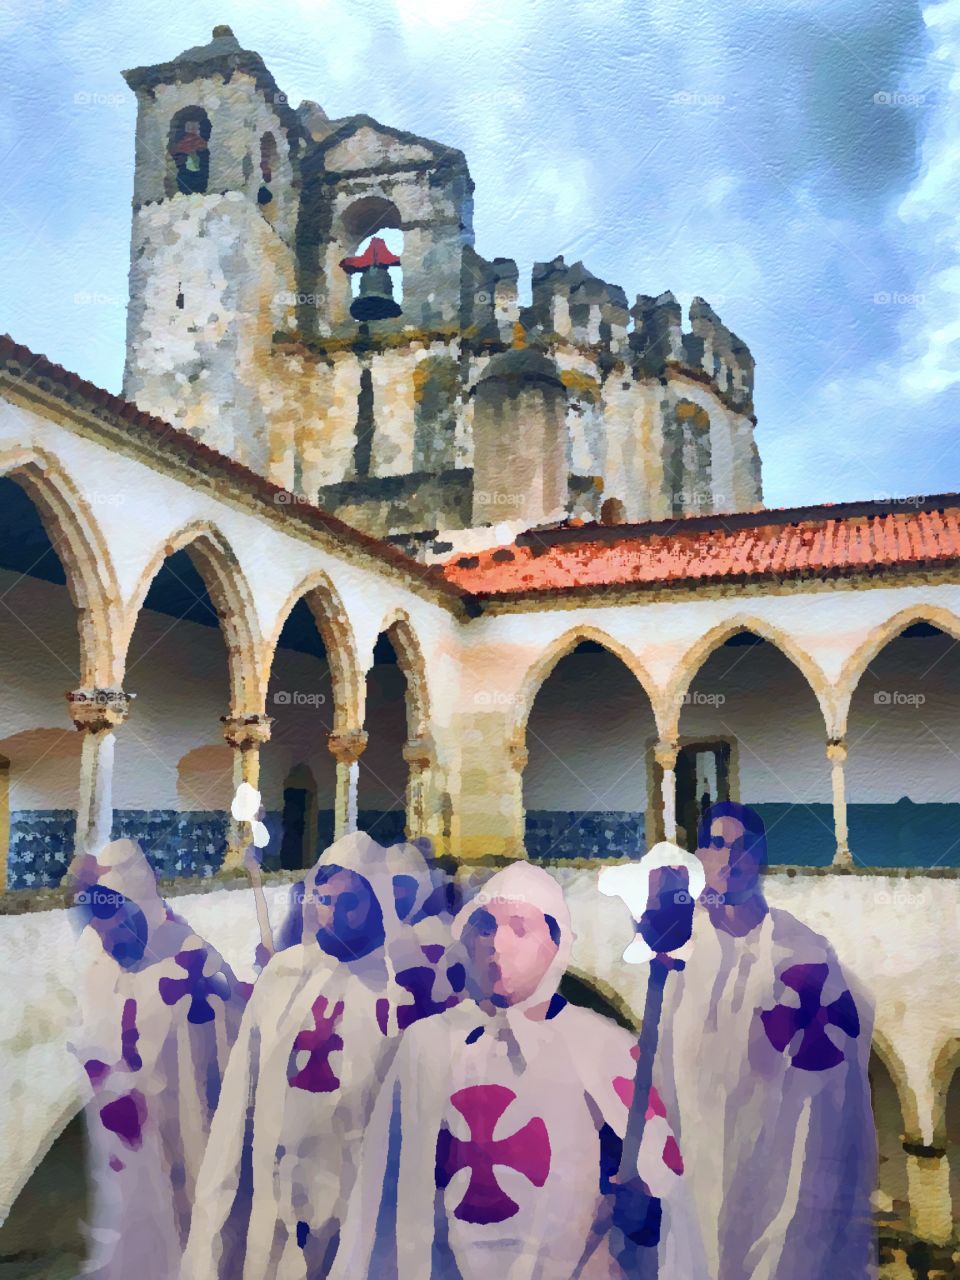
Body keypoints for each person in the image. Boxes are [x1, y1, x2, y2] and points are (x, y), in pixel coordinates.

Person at [331, 861, 706, 1279]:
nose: (497, 943)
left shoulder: (605, 1047)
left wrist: (645, 1211)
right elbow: (384, 1193)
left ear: (556, 944)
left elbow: (663, 1199)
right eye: (485, 928)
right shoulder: (426, 1045)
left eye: (520, 929)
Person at [181, 831, 451, 1280]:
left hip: (361, 1201)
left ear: (378, 900)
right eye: (324, 900)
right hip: (280, 1195)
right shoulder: (283, 976)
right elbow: (240, 1098)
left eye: (350, 902)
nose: (334, 913)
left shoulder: (404, 988)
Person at [654, 801, 877, 1280]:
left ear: (762, 857)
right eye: (716, 845)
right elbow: (660, 1068)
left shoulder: (802, 954)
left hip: (773, 1186)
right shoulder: (679, 954)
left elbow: (826, 1102)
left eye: (743, 847)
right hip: (692, 1183)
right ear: (700, 855)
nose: (729, 859)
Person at [67, 839, 245, 1280]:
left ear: (140, 905)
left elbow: (237, 1031)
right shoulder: (98, 969)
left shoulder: (192, 956)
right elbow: (93, 1040)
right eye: (97, 924)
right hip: (130, 1145)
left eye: (117, 919)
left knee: (197, 1233)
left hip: (190, 1126)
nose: (107, 936)